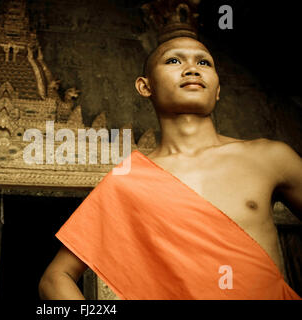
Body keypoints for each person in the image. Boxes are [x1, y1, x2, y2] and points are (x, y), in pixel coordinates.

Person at [38, 36, 302, 300]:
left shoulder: (269, 158)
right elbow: (54, 279)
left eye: (204, 62)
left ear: (218, 88)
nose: (192, 68)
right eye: (174, 60)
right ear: (145, 86)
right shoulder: (129, 181)